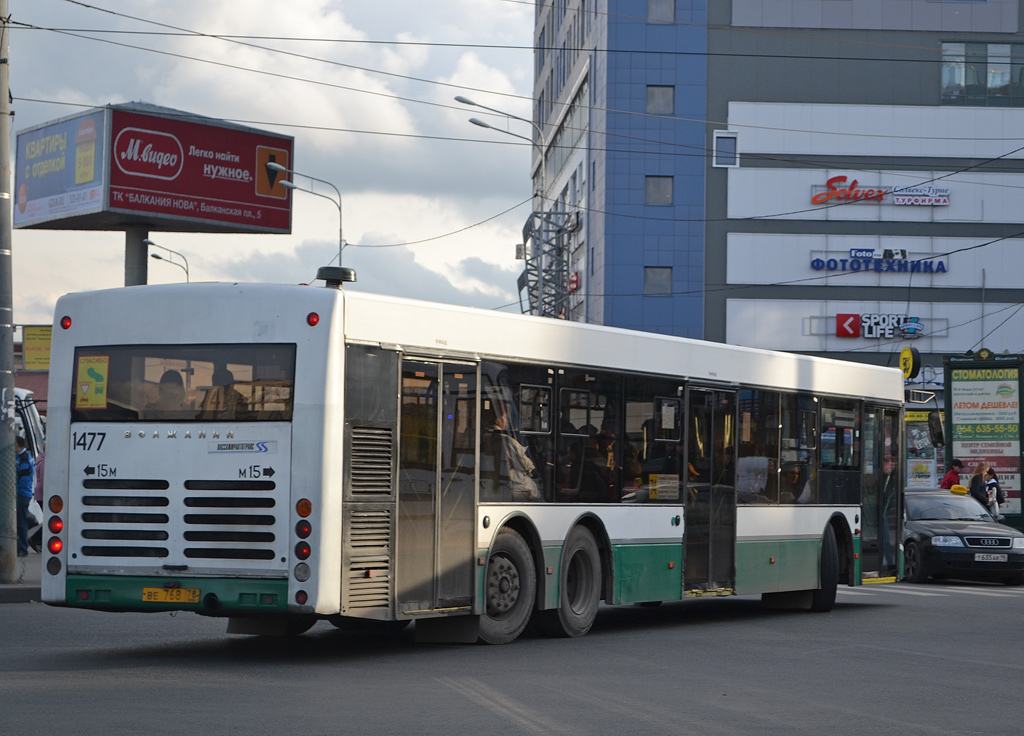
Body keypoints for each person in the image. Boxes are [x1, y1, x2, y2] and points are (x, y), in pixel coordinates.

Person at [15, 436, 34, 557]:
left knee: (21, 522)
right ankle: (20, 546)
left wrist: (15, 492)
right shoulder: (22, 457)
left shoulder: (24, 458)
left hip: (22, 494)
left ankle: (23, 548)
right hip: (22, 494)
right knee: (19, 521)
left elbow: (24, 479)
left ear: (18, 445)